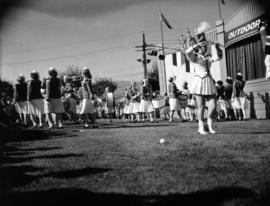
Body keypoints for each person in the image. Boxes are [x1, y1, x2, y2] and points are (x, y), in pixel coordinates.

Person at [186, 22, 223, 134]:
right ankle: (201, 127)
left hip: (209, 81)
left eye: (205, 46)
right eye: (202, 46)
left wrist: (217, 46)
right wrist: (194, 46)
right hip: (199, 82)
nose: (204, 48)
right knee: (201, 106)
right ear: (199, 48)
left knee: (213, 105)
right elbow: (187, 52)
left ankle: (210, 126)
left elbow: (220, 56)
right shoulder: (194, 58)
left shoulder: (208, 57)